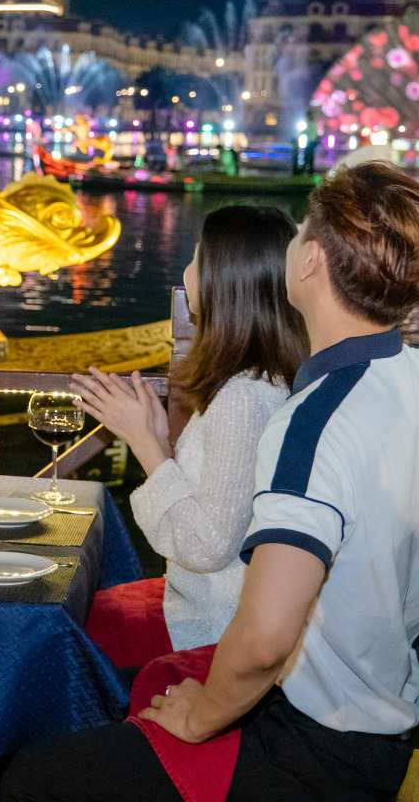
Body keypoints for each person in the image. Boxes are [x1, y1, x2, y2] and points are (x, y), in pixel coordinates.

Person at [2, 161, 419, 802]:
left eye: (296, 235)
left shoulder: (310, 427)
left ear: (311, 261)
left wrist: (201, 715)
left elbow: (262, 642)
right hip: (381, 705)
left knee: (29, 782)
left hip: (310, 739)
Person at [70, 205, 307, 665]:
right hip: (201, 603)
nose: (187, 270)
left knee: (57, 634)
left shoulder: (244, 397)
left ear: (226, 281)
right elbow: (220, 503)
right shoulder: (259, 380)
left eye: (198, 259)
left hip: (209, 625)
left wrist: (143, 445)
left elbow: (208, 545)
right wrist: (158, 441)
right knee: (75, 614)